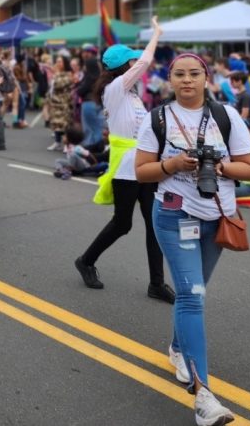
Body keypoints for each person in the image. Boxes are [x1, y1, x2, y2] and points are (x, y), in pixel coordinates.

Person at [135, 52, 250, 426]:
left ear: (206, 78)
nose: (186, 80)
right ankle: (204, 397)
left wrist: (219, 166)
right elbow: (141, 171)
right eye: (179, 74)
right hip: (175, 216)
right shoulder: (157, 118)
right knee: (191, 294)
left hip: (217, 218)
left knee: (195, 291)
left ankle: (177, 348)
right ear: (169, 80)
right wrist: (172, 165)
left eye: (193, 74)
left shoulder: (227, 116)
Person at [74, 17, 175, 303]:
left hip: (144, 165)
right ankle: (86, 260)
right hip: (125, 168)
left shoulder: (130, 94)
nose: (136, 64)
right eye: (131, 60)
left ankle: (157, 284)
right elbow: (145, 62)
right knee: (122, 223)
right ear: (123, 66)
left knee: (154, 224)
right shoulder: (115, 89)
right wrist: (156, 33)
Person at [47, 56, 73, 151]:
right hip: (55, 102)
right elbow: (51, 87)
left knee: (65, 124)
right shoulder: (56, 74)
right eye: (57, 61)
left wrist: (55, 74)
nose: (58, 63)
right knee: (56, 123)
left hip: (64, 103)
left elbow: (59, 85)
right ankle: (57, 142)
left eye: (60, 61)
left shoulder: (68, 74)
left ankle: (67, 144)